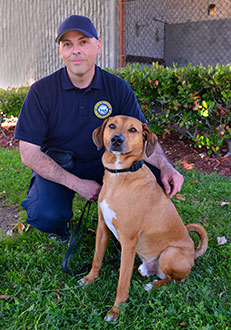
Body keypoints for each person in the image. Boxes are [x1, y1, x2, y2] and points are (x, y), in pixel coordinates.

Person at [15, 15, 184, 241]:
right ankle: (59, 229)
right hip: (62, 164)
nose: (75, 50)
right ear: (61, 51)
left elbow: (141, 138)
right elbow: (28, 153)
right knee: (46, 215)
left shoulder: (117, 88)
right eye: (67, 44)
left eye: (83, 42)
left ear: (98, 46)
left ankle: (127, 230)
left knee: (154, 183)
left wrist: (166, 166)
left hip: (109, 163)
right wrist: (77, 184)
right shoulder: (41, 92)